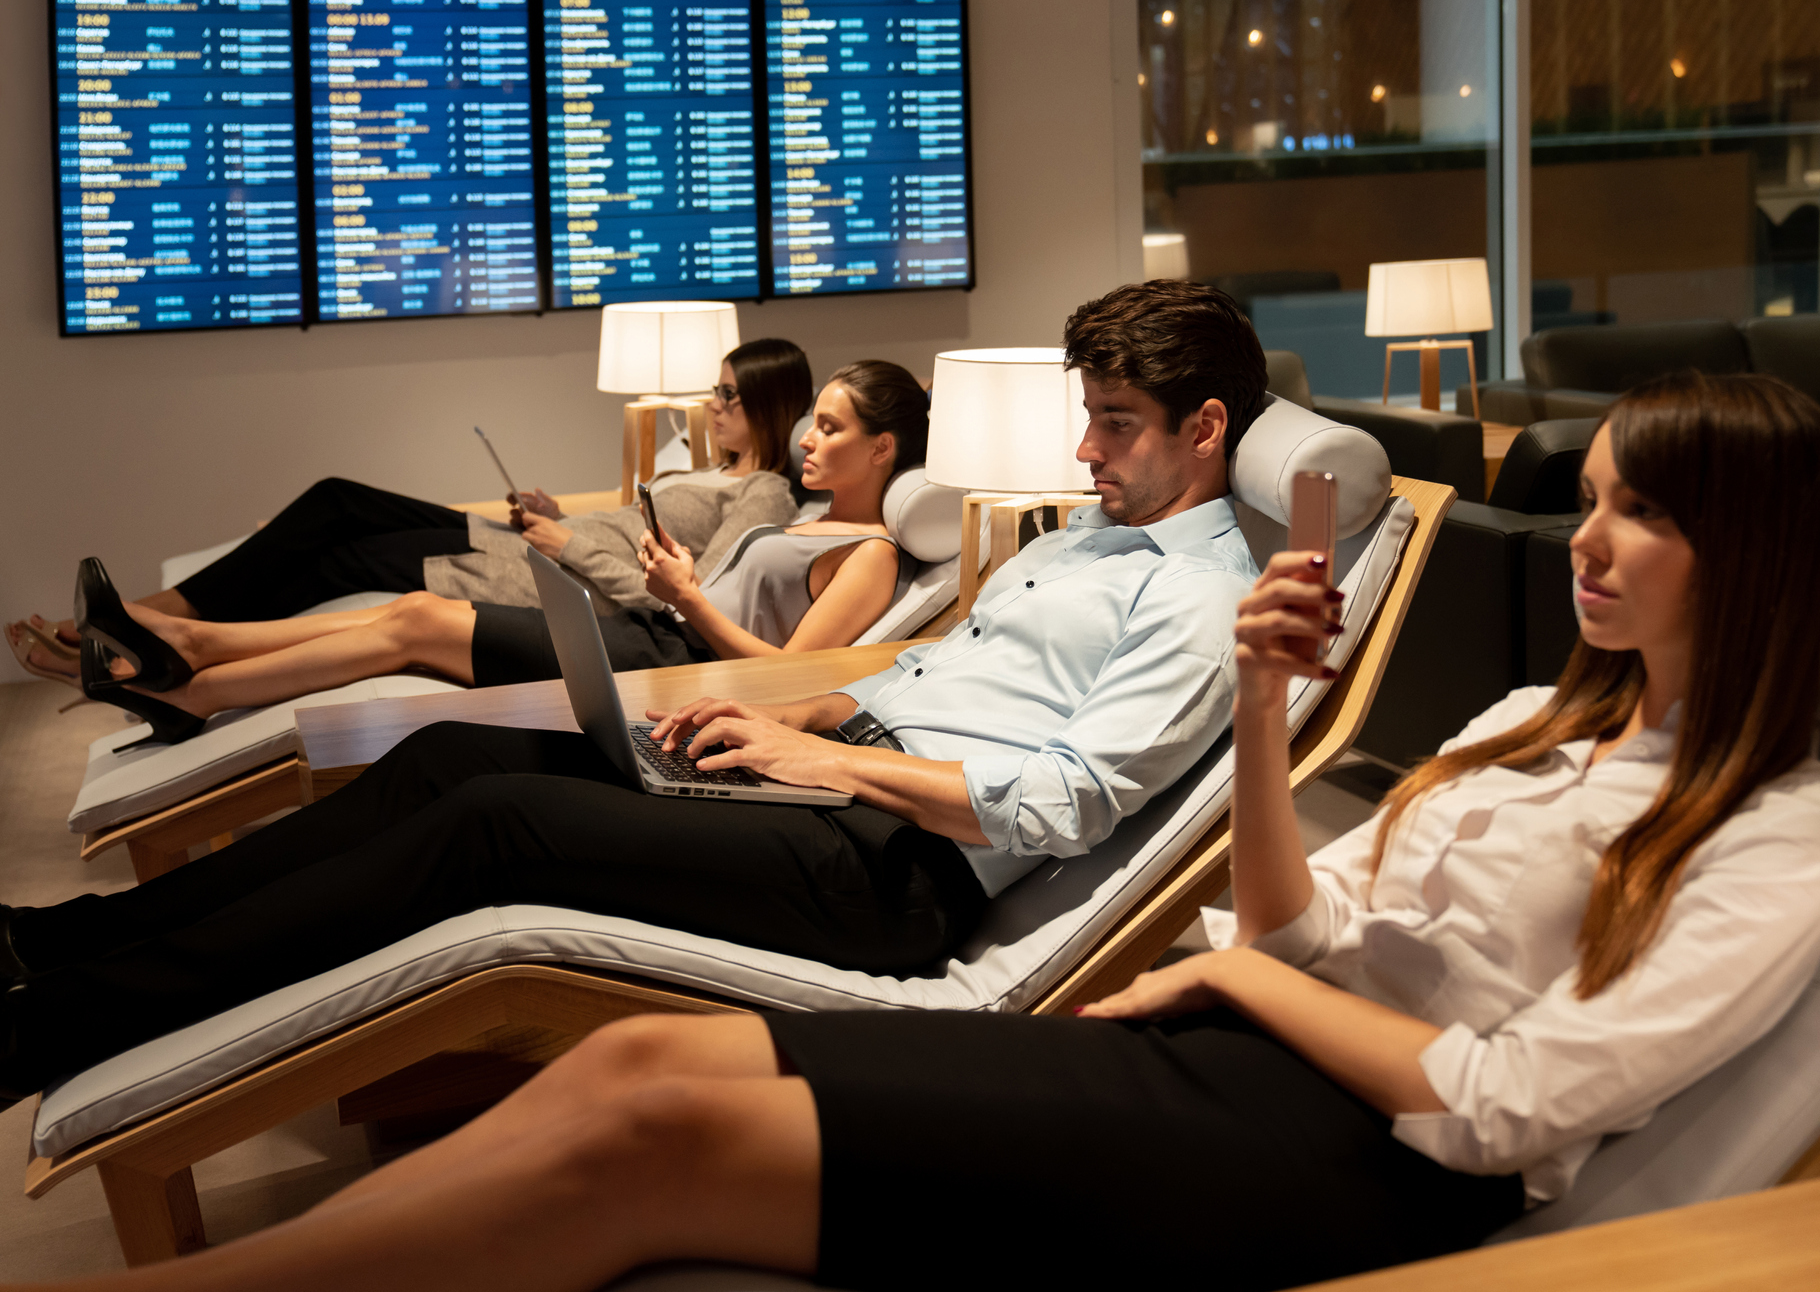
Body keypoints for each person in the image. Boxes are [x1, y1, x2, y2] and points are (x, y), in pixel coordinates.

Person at [5, 371, 1820, 1292]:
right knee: (640, 1048)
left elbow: (1507, 1102)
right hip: (1227, 1038)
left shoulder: (1787, 840)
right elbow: (1295, 929)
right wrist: (1257, 709)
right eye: (1596, 500)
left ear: (1756, 558)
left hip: (1358, 1158)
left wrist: (1216, 985)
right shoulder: (1518, 726)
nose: (1595, 547)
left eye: (1645, 519)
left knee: (646, 1126)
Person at [0, 279, 1268, 1103]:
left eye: (1114, 422)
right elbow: (927, 678)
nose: (1086, 448)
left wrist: (833, 763)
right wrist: (786, 721)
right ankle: (68, 941)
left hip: (892, 871)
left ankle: (54, 1025)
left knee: (497, 825)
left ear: (1204, 426)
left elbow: (1070, 798)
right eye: (1088, 417)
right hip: (833, 789)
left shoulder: (1204, 595)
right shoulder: (1072, 545)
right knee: (452, 756)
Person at [59, 360, 931, 749]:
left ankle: (195, 679)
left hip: (670, 662)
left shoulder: (872, 554)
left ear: (884, 448)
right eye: (812, 420)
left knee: (417, 620)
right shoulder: (805, 516)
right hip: (658, 629)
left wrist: (690, 600)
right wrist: (685, 581)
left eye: (831, 426)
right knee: (408, 614)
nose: (808, 439)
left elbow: (794, 679)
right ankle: (194, 663)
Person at [4, 337, 813, 689]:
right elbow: (626, 524)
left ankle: (138, 635)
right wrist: (554, 511)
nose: (712, 404)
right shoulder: (703, 463)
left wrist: (567, 541)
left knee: (343, 561)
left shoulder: (765, 494)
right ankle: (143, 617)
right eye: (715, 388)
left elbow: (684, 594)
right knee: (336, 500)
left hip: (543, 579)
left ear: (770, 407)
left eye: (728, 395)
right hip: (531, 545)